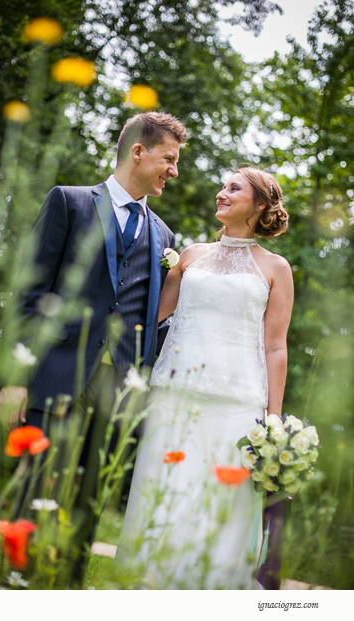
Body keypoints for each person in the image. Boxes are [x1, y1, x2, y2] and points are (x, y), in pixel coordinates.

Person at [0, 112, 188, 585]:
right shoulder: (70, 202)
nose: (174, 170)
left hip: (118, 388)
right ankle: (12, 587)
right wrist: (13, 378)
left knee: (89, 498)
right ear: (138, 151)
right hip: (57, 370)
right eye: (169, 158)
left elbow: (156, 320)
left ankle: (69, 590)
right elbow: (30, 290)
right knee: (35, 487)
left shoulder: (164, 235)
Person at [116, 167, 293, 589]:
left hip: (237, 404)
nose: (221, 193)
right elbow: (154, 314)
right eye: (222, 186)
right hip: (174, 395)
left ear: (262, 205)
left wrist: (273, 420)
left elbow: (275, 346)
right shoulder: (192, 255)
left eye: (234, 188)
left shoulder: (275, 267)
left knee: (219, 506)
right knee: (162, 494)